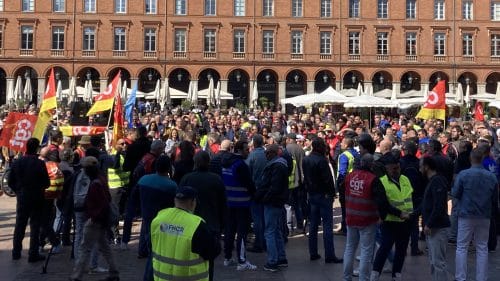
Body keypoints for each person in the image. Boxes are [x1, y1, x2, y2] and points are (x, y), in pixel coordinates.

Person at [150, 186, 220, 281]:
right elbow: (213, 251)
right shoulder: (197, 225)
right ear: (193, 202)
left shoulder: (158, 218)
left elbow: (151, 244)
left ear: (175, 200)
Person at [70, 156, 120, 281]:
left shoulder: (95, 184)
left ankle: (77, 276)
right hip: (101, 220)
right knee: (104, 247)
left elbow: (100, 204)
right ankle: (114, 272)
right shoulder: (101, 179)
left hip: (95, 220)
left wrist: (94, 218)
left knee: (85, 247)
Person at [452, 148, 499, 281]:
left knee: (462, 246)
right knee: (482, 247)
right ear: (483, 159)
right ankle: (481, 278)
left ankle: (460, 277)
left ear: (470, 159)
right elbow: (495, 198)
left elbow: (455, 193)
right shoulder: (491, 176)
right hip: (484, 214)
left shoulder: (463, 174)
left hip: (466, 214)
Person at [180, 151, 226, 280]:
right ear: (208, 162)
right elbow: (223, 204)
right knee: (208, 261)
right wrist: (222, 225)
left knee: (186, 257)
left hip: (189, 225)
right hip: (210, 225)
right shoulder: (216, 179)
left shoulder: (187, 178)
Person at [371, 154, 413, 281]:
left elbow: (410, 197)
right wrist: (399, 213)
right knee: (385, 248)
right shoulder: (382, 182)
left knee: (401, 250)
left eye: (398, 168)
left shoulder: (405, 179)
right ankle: (375, 274)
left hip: (406, 222)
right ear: (387, 169)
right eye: (393, 168)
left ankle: (397, 274)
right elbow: (383, 204)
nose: (396, 171)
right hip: (390, 221)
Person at [302, 138, 343, 264]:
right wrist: (331, 194)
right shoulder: (321, 160)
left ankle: (313, 252)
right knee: (327, 226)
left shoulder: (306, 159)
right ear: (319, 147)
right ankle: (329, 255)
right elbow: (328, 180)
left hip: (312, 194)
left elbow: (306, 178)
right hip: (323, 196)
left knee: (313, 225)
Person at [343, 154, 382, 281]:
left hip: (351, 216)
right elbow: (379, 200)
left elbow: (343, 194)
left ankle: (346, 277)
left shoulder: (350, 176)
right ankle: (363, 279)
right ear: (371, 164)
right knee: (366, 251)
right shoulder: (373, 179)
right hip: (367, 219)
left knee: (350, 248)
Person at [11, 138, 50, 262]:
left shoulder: (17, 162)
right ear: (37, 148)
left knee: (20, 224)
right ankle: (33, 253)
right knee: (35, 226)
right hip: (37, 197)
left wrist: (18, 190)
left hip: (23, 197)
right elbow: (46, 182)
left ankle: (16, 252)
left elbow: (11, 181)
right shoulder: (39, 163)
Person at [122, 140, 165, 253]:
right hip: (147, 188)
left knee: (130, 214)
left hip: (136, 186)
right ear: (159, 149)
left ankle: (124, 241)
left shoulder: (145, 157)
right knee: (147, 217)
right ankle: (146, 246)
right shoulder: (155, 160)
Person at [139, 155, 178, 281]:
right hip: (163, 222)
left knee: (151, 249)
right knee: (155, 254)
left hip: (147, 217)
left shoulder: (144, 180)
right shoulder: (171, 185)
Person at [220, 140, 257, 270]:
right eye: (247, 149)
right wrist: (255, 194)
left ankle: (228, 257)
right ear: (240, 150)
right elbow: (249, 184)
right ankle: (242, 261)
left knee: (230, 230)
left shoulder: (225, 163)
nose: (249, 152)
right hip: (242, 203)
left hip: (229, 202)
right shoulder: (241, 165)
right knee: (242, 232)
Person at [254, 144, 289, 272]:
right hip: (276, 202)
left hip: (272, 202)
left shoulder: (277, 166)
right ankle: (281, 258)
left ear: (273, 153)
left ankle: (272, 261)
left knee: (269, 231)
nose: (266, 155)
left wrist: (264, 198)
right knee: (276, 230)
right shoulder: (279, 164)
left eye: (268, 153)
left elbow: (274, 187)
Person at [420, 156, 450, 281]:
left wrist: (429, 224)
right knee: (434, 261)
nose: (419, 168)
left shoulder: (437, 181)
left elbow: (438, 206)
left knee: (438, 262)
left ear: (426, 167)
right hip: (433, 227)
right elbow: (427, 204)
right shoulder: (433, 181)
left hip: (437, 227)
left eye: (421, 166)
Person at [245, 134, 268, 253]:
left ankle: (259, 243)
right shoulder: (266, 153)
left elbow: (246, 171)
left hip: (256, 190)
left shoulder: (252, 155)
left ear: (254, 143)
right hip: (266, 190)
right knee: (265, 217)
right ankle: (265, 241)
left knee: (258, 218)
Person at [337, 137, 360, 234]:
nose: (340, 144)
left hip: (345, 184)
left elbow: (342, 172)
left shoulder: (344, 155)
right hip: (356, 183)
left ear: (346, 145)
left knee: (344, 208)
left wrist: (339, 184)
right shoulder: (357, 154)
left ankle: (345, 228)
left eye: (342, 142)